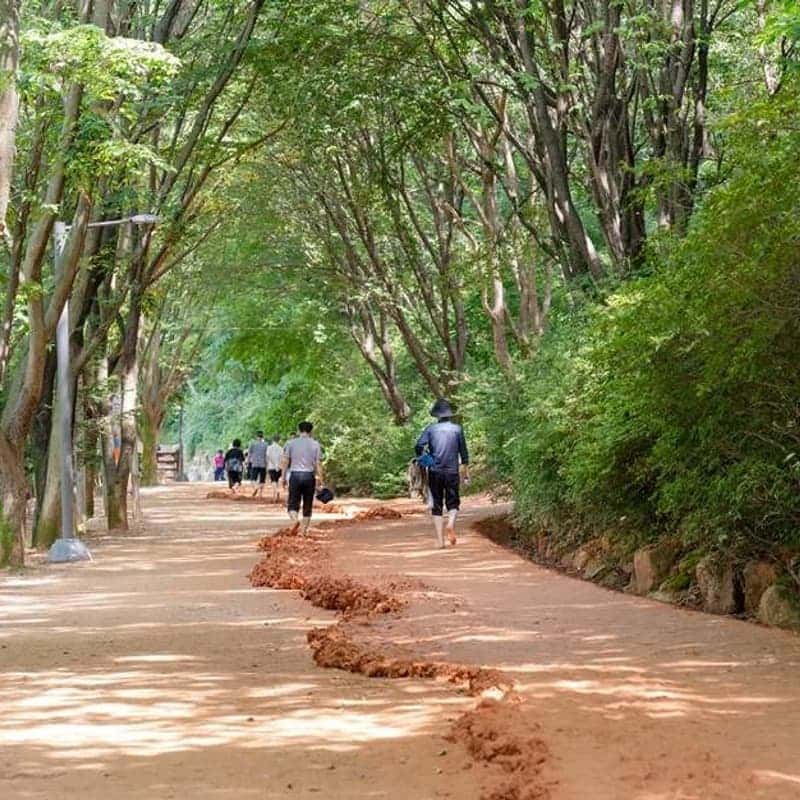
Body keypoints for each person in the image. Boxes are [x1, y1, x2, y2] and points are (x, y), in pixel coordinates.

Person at [415, 398, 470, 548]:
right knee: (453, 502)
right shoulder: (457, 429)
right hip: (452, 471)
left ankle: (440, 541)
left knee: (437, 505)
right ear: (449, 414)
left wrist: (425, 457)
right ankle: (451, 524)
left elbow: (419, 445)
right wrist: (465, 471)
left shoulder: (430, 429)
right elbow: (463, 452)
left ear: (437, 415)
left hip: (435, 470)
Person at [281, 421, 324, 535]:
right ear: (311, 431)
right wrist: (321, 480)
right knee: (307, 504)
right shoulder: (315, 444)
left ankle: (295, 521)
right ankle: (303, 532)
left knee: (292, 504)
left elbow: (285, 461)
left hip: (295, 475)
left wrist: (283, 477)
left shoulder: (291, 443)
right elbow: (318, 463)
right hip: (309, 476)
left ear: (299, 430)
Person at [247, 431, 269, 498]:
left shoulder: (252, 444)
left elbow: (249, 454)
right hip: (263, 464)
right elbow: (267, 455)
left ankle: (256, 487)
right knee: (262, 480)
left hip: (255, 463)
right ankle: (260, 494)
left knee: (253, 479)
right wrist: (267, 464)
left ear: (256, 436)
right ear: (263, 436)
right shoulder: (266, 444)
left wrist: (247, 462)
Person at [266, 435, 283, 503]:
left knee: (273, 481)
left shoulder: (269, 448)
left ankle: (275, 494)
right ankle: (276, 493)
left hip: (271, 467)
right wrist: (278, 465)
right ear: (279, 440)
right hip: (279, 467)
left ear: (273, 440)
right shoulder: (281, 448)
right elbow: (282, 458)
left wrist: (273, 464)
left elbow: (268, 457)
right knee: (277, 480)